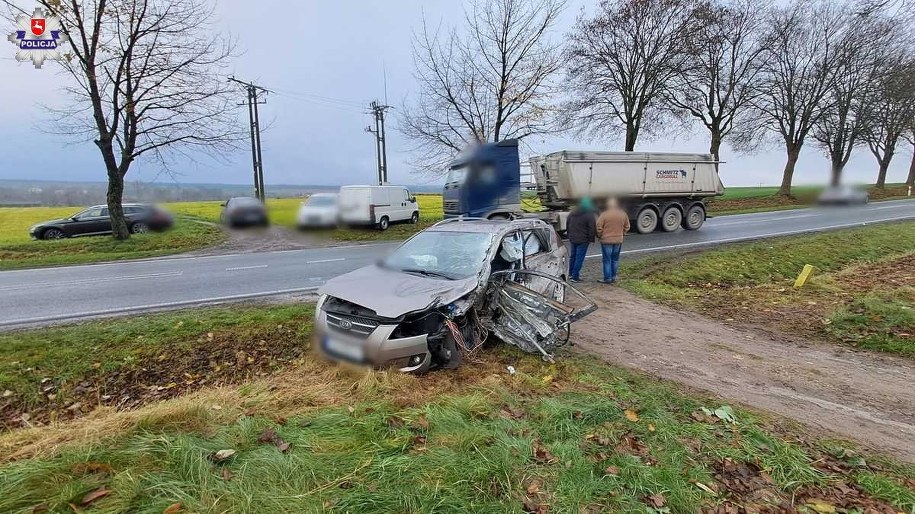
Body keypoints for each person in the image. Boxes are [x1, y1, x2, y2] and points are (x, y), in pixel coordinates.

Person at [596, 197, 630, 284]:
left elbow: (599, 227)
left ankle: (607, 278)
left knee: (607, 260)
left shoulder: (604, 214)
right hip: (618, 240)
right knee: (615, 260)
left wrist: (600, 236)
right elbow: (627, 226)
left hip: (606, 240)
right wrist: (622, 233)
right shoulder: (623, 214)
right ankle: (613, 277)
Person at [566, 197, 596, 282]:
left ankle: (570, 274)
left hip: (573, 238)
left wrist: (569, 235)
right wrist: (591, 239)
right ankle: (575, 277)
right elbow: (592, 228)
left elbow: (568, 225)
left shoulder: (572, 213)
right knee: (579, 258)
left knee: (573, 257)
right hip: (583, 240)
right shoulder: (589, 214)